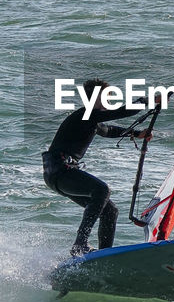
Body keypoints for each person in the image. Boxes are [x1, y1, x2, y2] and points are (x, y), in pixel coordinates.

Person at [42, 78, 150, 256]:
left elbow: (108, 130)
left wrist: (137, 134)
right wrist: (147, 101)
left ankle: (103, 256)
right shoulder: (85, 114)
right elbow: (122, 112)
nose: (110, 101)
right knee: (102, 190)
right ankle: (80, 244)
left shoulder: (91, 120)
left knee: (110, 211)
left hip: (62, 173)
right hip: (59, 171)